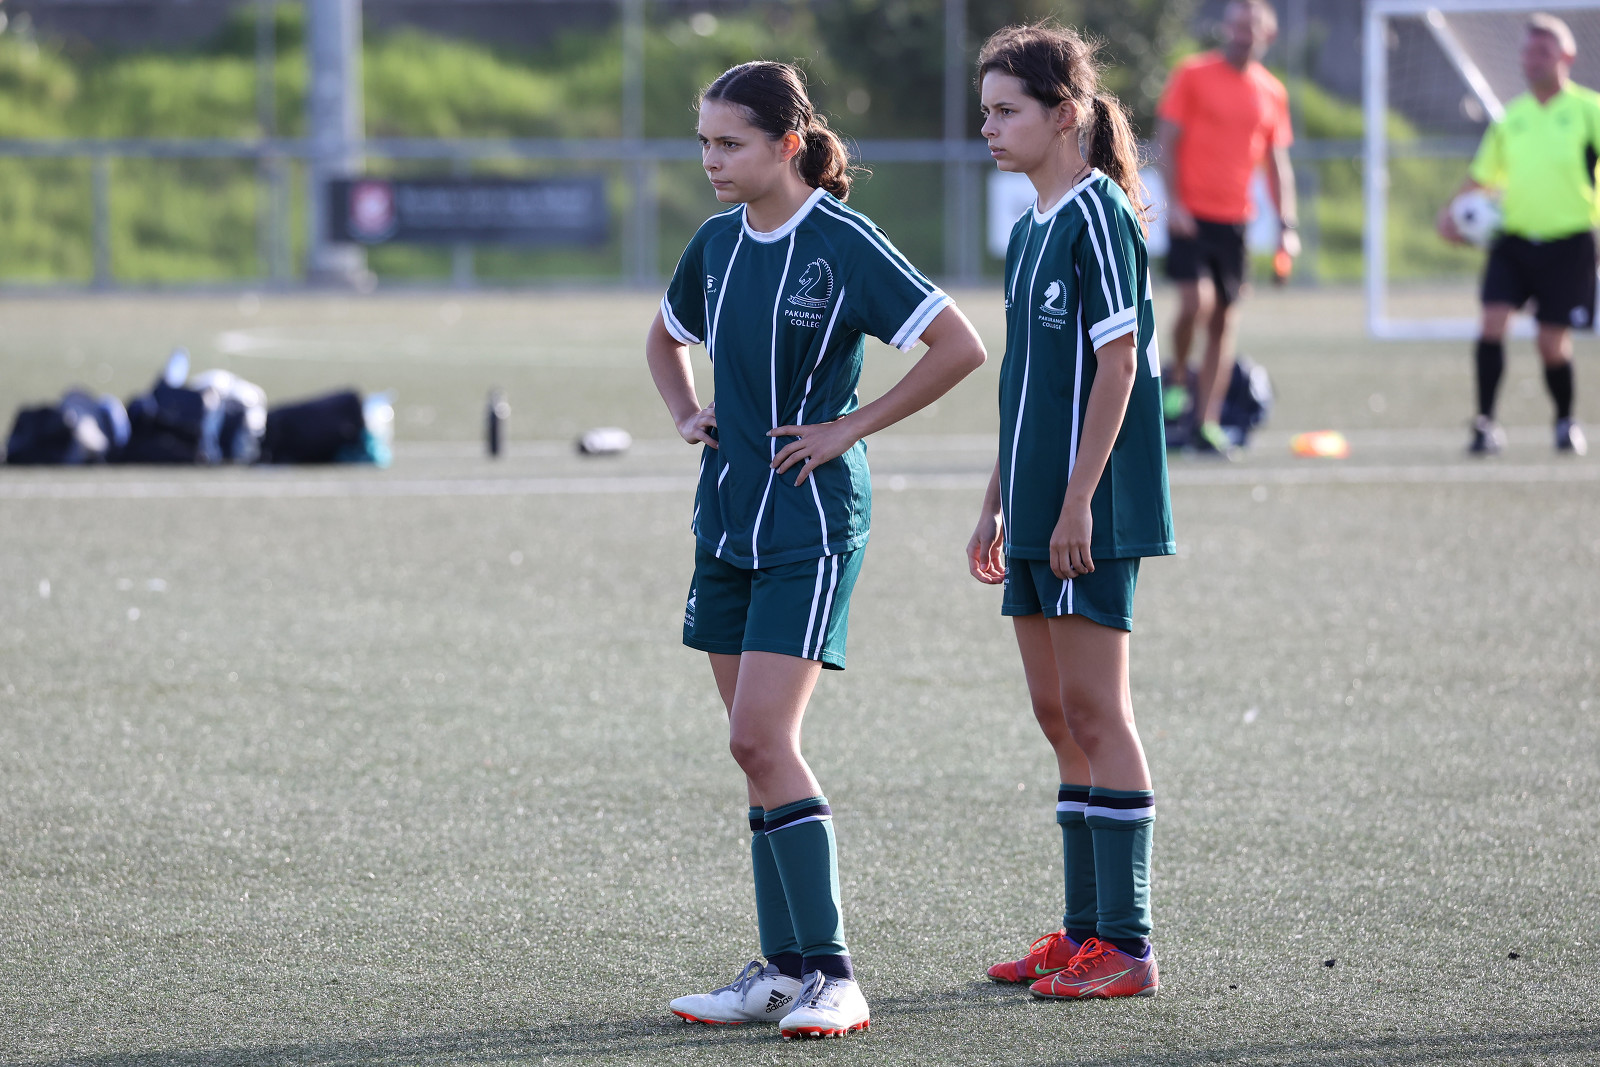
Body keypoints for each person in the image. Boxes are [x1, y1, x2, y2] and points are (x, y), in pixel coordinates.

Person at [645, 61, 986, 1039]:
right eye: (704, 142)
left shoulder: (842, 242)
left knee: (762, 739)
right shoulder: (715, 244)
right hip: (727, 521)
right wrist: (686, 413)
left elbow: (960, 345)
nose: (711, 161)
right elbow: (664, 339)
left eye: (730, 143)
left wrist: (851, 425)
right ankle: (782, 968)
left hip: (810, 524)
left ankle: (834, 973)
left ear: (787, 144)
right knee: (751, 751)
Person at [968, 23, 1175, 1001]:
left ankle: (1126, 945)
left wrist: (1079, 499)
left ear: (1064, 115)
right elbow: (1024, 383)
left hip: (1089, 510)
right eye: (984, 111)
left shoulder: (1100, 214)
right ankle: (1084, 929)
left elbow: (1118, 365)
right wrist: (995, 500)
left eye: (1006, 110)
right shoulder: (1028, 228)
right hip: (1035, 508)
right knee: (1057, 714)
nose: (988, 128)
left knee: (1098, 710)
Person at [1437, 13, 1593, 456]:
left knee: (1551, 342)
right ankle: (1484, 423)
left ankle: (1564, 421)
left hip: (1570, 242)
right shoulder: (1512, 119)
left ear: (1566, 56)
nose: (1533, 59)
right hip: (1514, 241)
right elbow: (1481, 177)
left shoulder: (1590, 111)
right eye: (1528, 52)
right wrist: (1451, 214)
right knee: (1492, 321)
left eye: (1544, 51)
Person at [1154, 0, 1297, 457]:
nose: (1243, 33)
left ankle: (1206, 423)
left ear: (1268, 35)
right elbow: (1166, 140)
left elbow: (1277, 163)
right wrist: (1174, 203)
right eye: (1236, 24)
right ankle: (1178, 380)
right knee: (1195, 303)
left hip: (1236, 221)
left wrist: (1286, 226)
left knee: (1223, 321)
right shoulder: (1193, 74)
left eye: (1252, 26)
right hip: (1191, 214)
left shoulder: (1272, 90)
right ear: (1225, 28)